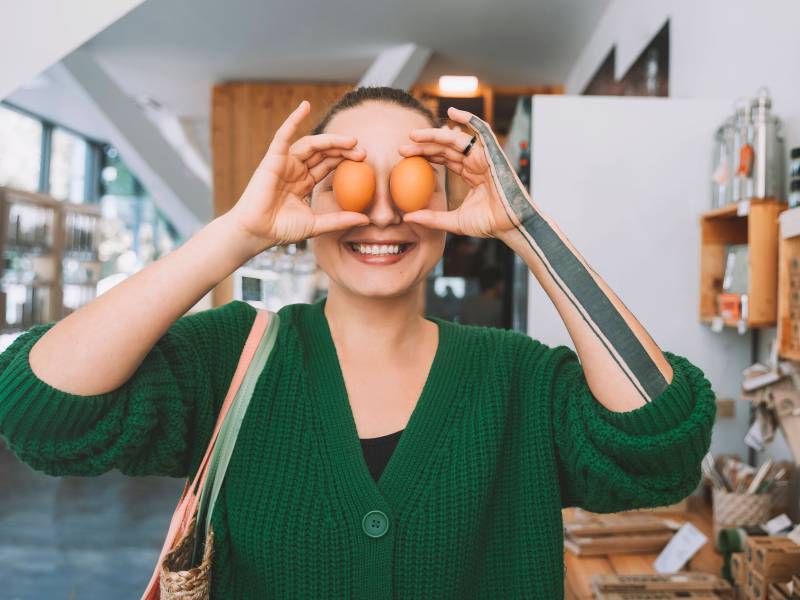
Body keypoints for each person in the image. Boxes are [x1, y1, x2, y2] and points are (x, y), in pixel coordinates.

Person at [0, 86, 716, 599]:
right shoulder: (233, 359)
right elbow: (38, 412)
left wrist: (527, 226)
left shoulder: (517, 379)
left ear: (448, 203)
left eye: (407, 183)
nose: (379, 212)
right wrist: (235, 236)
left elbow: (662, 446)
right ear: (308, 200)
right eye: (348, 182)